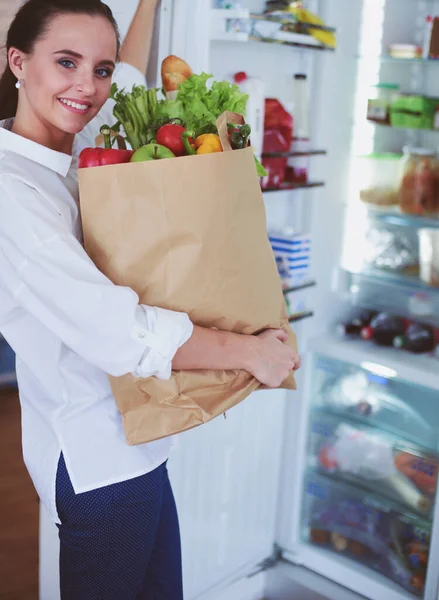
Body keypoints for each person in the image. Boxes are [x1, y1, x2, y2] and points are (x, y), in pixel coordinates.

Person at [0, 0, 300, 598]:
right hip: (97, 460)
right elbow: (120, 333)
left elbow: (130, 75)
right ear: (18, 62)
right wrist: (249, 353)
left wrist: (150, 3)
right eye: (65, 62)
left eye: (99, 69)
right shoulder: (13, 193)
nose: (87, 86)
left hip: (138, 441)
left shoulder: (74, 145)